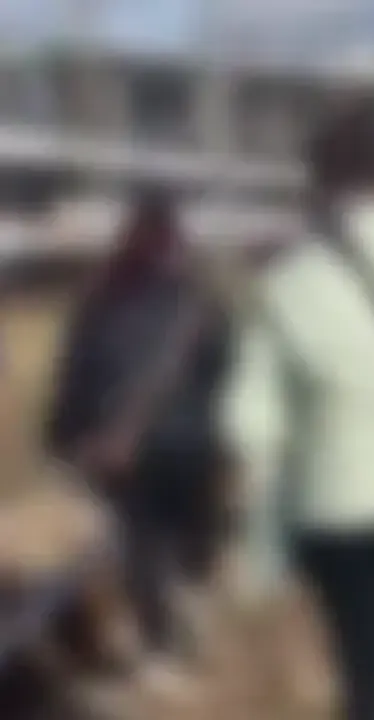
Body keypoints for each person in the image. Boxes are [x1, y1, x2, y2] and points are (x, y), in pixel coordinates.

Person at [219, 100, 374, 720]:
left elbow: (252, 427)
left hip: (338, 509)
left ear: (316, 180)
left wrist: (259, 555)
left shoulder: (285, 281)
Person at [43, 188, 233, 693]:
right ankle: (171, 630)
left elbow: (75, 375)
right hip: (178, 448)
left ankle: (166, 635)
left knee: (150, 548)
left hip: (137, 450)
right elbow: (225, 373)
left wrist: (63, 438)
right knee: (163, 546)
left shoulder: (105, 299)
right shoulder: (199, 304)